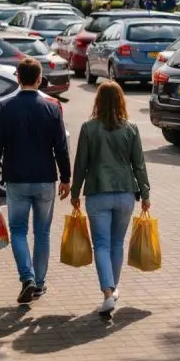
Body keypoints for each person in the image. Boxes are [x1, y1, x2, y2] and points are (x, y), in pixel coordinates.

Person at [0, 57, 71, 304]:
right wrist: (66, 178)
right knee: (42, 232)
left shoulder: (5, 107)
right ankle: (39, 284)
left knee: (18, 230)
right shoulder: (52, 107)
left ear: (18, 78)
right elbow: (61, 147)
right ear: (40, 79)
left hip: (16, 178)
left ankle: (27, 278)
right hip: (45, 179)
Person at [70, 82, 151, 316]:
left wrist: (75, 192)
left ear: (98, 101)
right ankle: (113, 289)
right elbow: (139, 165)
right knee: (116, 244)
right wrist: (145, 193)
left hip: (97, 192)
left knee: (102, 245)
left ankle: (107, 292)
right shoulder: (131, 128)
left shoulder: (88, 128)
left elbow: (81, 164)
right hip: (126, 193)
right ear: (121, 101)